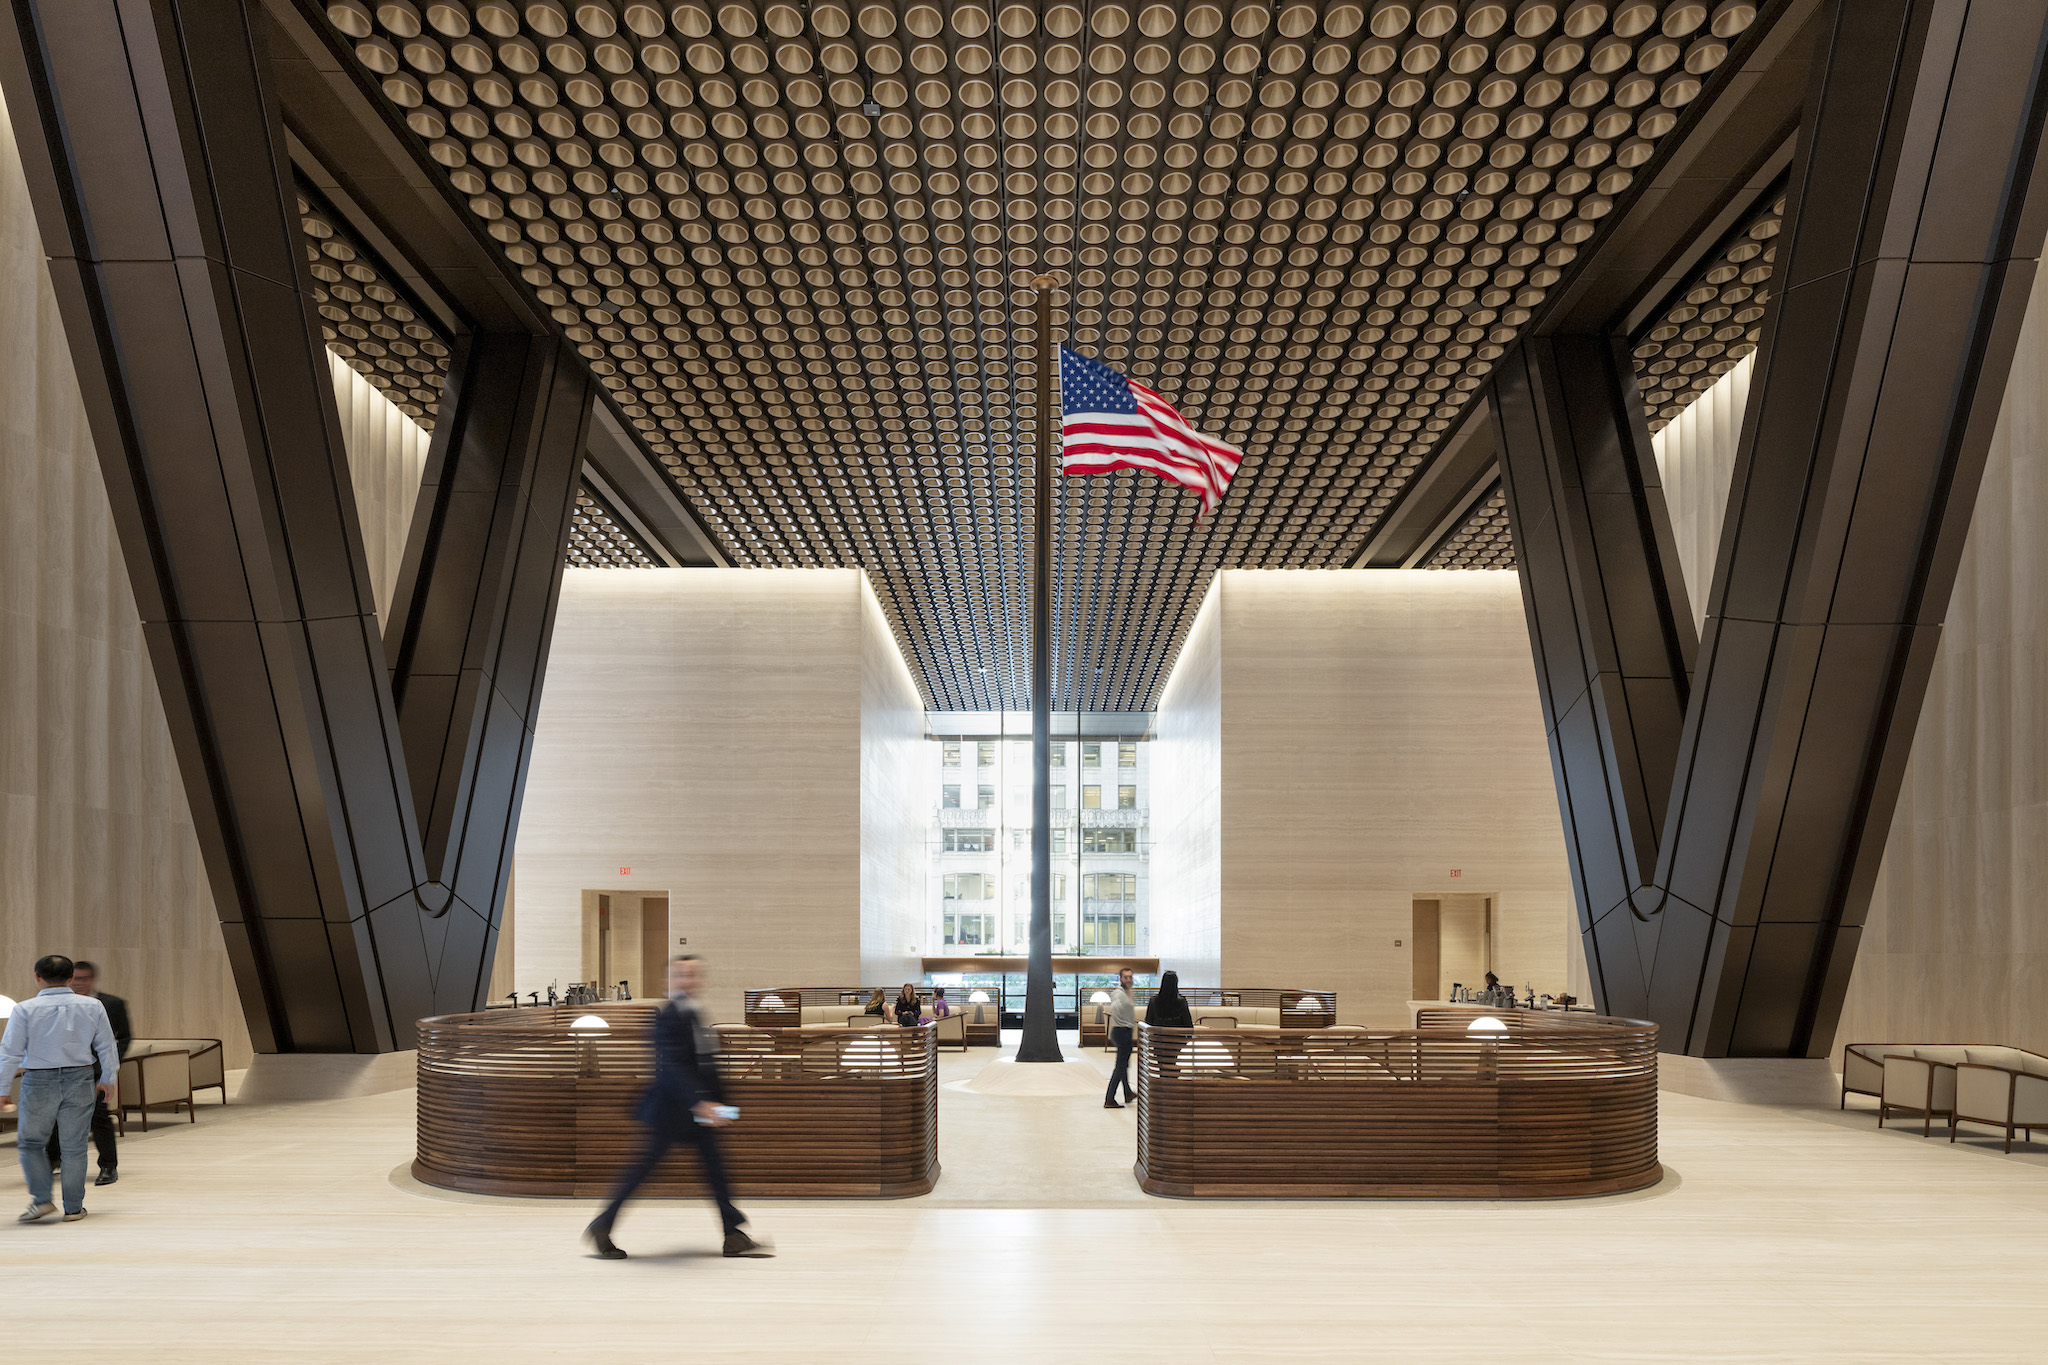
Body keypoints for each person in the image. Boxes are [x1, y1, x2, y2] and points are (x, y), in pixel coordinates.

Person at [584, 956, 772, 1260]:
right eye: (681, 976)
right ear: (668, 982)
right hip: (671, 1111)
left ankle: (733, 1235)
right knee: (642, 1170)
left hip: (695, 1113)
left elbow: (705, 1065)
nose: (688, 980)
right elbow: (671, 1068)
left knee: (715, 1170)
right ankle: (602, 1225)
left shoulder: (694, 1014)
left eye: (693, 975)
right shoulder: (667, 1017)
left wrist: (724, 1105)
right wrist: (700, 1103)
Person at [0, 955, 120, 1223]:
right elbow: (106, 1045)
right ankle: (74, 1208)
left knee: (31, 1143)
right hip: (81, 1078)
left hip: (39, 1080)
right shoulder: (93, 1006)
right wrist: (109, 1077)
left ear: (37, 977)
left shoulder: (24, 1009)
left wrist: (2, 1088)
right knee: (74, 1146)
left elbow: (9, 1052)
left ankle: (42, 1201)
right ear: (70, 978)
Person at [44, 960, 128, 1186]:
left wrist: (109, 1068)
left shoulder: (111, 1004)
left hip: (95, 1070)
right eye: (76, 979)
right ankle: (53, 1159)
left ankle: (108, 1166)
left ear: (92, 979)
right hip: (61, 1070)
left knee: (99, 1116)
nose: (79, 983)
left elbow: (121, 1038)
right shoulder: (56, 1004)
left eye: (84, 978)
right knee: (55, 1116)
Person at [1145, 970, 1193, 1078]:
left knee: (1163, 1067)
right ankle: (1172, 1086)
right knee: (1174, 1066)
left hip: (1159, 1043)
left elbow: (1148, 1021)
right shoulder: (1181, 1001)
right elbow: (1188, 1025)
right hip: (1176, 1044)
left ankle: (1165, 1087)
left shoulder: (1154, 1001)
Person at [1103, 967, 1137, 1109]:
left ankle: (1128, 1093)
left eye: (1130, 977)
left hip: (1125, 1031)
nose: (1129, 980)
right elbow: (1116, 1007)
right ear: (1120, 979)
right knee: (1120, 1067)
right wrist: (1122, 1021)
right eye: (1126, 977)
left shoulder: (1127, 992)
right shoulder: (1119, 993)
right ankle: (1109, 1098)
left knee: (1123, 1065)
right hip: (1121, 1031)